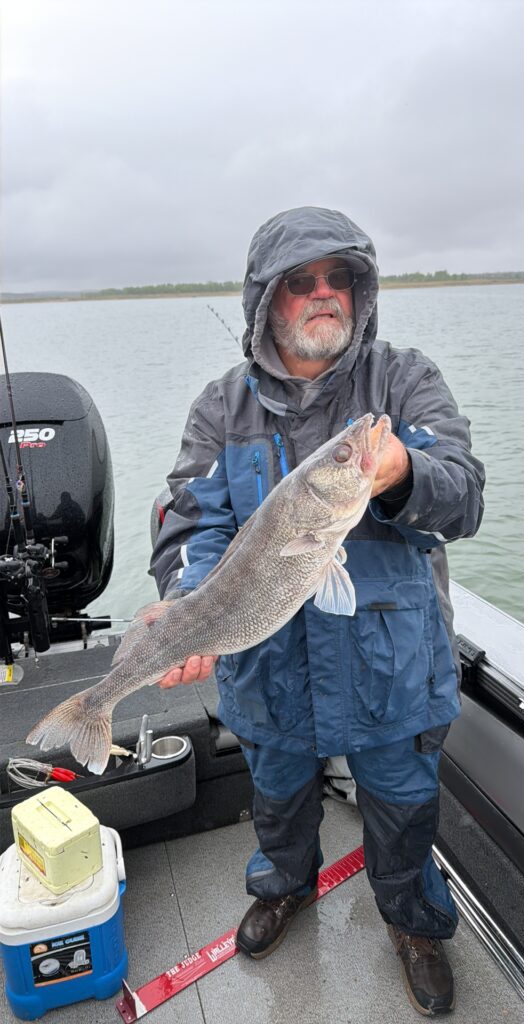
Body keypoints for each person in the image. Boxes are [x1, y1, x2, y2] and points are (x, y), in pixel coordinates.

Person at [150, 206, 485, 1017]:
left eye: (341, 278)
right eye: (301, 281)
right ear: (268, 300)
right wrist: (186, 604)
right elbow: (190, 522)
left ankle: (413, 923)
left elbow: (464, 495)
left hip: (393, 665)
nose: (324, 293)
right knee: (276, 798)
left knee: (403, 807)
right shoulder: (220, 408)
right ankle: (283, 887)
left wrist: (405, 472)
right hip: (267, 664)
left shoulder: (403, 381)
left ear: (362, 292)